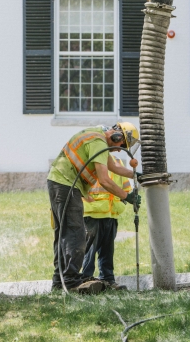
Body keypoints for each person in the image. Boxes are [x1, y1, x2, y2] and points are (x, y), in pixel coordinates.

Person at [47, 123, 141, 294]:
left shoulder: (98, 139)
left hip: (62, 183)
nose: (120, 150)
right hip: (65, 184)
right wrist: (126, 196)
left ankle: (59, 282)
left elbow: (114, 167)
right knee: (74, 233)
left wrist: (136, 175)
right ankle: (71, 282)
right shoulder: (98, 142)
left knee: (64, 233)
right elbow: (104, 180)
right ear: (117, 137)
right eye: (122, 145)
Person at [80, 154, 132, 291]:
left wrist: (125, 198)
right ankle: (85, 280)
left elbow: (126, 187)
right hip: (92, 213)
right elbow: (78, 185)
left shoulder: (117, 162)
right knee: (89, 251)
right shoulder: (90, 160)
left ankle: (108, 280)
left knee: (107, 251)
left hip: (111, 213)